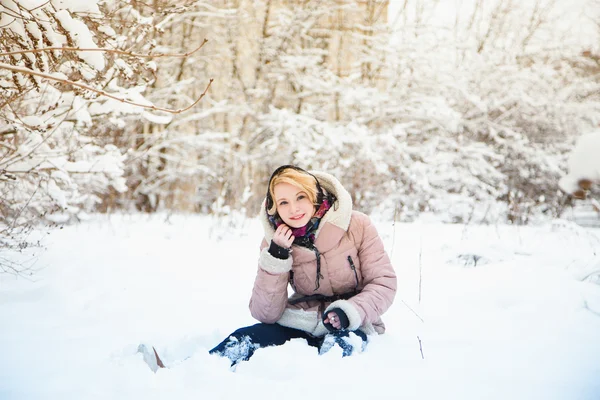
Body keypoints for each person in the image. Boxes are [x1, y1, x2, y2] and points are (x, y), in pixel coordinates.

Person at [208, 165, 397, 366]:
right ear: (275, 209)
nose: (293, 209)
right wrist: (277, 256)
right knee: (247, 337)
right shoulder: (275, 241)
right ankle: (195, 369)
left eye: (300, 197)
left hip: (354, 322)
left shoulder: (357, 225)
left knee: (338, 351)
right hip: (302, 320)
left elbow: (383, 283)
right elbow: (265, 314)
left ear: (314, 195)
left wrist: (348, 312)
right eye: (283, 202)